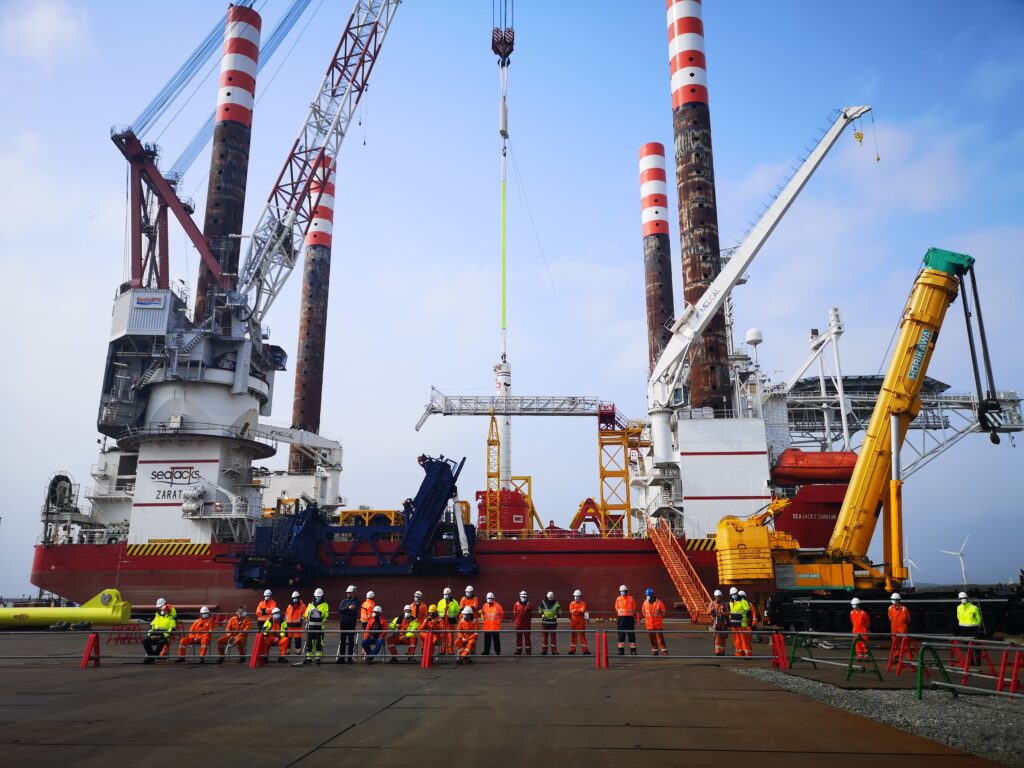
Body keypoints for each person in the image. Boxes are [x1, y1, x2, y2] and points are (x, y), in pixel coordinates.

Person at [303, 587, 329, 665]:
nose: (318, 598)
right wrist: (310, 612)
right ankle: (309, 658)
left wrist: (321, 613)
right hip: (311, 626)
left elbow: (326, 614)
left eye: (319, 596)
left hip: (320, 627)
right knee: (309, 642)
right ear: (314, 596)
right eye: (317, 596)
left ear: (322, 596)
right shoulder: (310, 604)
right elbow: (305, 613)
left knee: (318, 643)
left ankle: (318, 658)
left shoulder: (325, 604)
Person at [337, 585, 360, 664]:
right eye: (347, 593)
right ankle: (342, 658)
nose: (348, 594)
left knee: (351, 640)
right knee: (342, 640)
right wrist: (347, 607)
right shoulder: (344, 601)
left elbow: (353, 609)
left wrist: (345, 609)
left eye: (349, 593)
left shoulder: (356, 601)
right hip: (343, 623)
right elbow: (339, 610)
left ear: (353, 593)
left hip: (351, 623)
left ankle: (349, 658)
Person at [642, 589, 668, 656]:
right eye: (647, 595)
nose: (648, 597)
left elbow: (663, 612)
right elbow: (643, 612)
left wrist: (659, 619)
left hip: (657, 625)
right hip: (649, 625)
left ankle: (664, 652)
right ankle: (655, 652)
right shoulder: (645, 603)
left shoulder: (659, 602)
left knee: (660, 639)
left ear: (652, 595)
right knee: (652, 639)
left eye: (649, 595)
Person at [614, 585, 638, 655]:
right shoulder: (618, 599)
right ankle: (621, 650)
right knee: (621, 634)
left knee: (631, 634)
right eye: (621, 591)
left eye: (623, 591)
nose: (622, 593)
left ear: (626, 591)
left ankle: (633, 650)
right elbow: (616, 607)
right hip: (621, 618)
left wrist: (629, 613)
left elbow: (634, 607)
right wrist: (621, 613)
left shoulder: (631, 598)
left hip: (629, 618)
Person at [438, 587, 461, 655]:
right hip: (442, 621)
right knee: (442, 637)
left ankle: (450, 651)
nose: (446, 595)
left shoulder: (454, 602)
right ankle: (442, 651)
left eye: (447, 594)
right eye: (444, 594)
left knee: (450, 637)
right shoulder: (441, 602)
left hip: (450, 621)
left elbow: (457, 610)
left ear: (450, 594)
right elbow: (438, 610)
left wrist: (453, 616)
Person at [284, 590, 307, 656]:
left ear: (298, 598)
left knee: (298, 640)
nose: (295, 599)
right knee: (288, 640)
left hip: (297, 625)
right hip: (289, 626)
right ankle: (287, 651)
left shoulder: (302, 606)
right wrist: (286, 620)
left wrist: (301, 619)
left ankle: (298, 652)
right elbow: (286, 614)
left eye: (296, 598)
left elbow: (305, 614)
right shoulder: (289, 606)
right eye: (293, 598)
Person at [568, 589, 590, 655]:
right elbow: (571, 611)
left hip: (580, 621)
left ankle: (585, 650)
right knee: (573, 635)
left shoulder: (583, 603)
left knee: (582, 635)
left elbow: (582, 610)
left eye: (577, 596)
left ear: (580, 596)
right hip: (574, 621)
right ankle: (572, 650)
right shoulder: (572, 603)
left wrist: (576, 611)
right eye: (575, 596)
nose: (576, 597)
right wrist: (578, 611)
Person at [708, 589, 729, 657]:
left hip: (723, 623)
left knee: (723, 638)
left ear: (721, 596)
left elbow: (728, 613)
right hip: (716, 623)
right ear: (714, 596)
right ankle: (717, 651)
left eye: (719, 596)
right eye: (717, 596)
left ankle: (722, 651)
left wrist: (724, 613)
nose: (718, 598)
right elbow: (707, 612)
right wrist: (711, 611)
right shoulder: (712, 604)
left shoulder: (724, 604)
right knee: (717, 638)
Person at [513, 590, 533, 656]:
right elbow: (514, 613)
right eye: (522, 597)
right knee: (518, 637)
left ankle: (528, 651)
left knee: (527, 637)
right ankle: (518, 651)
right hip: (519, 623)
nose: (523, 598)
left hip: (527, 624)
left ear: (526, 597)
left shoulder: (529, 604)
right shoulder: (516, 604)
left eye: (524, 597)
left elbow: (531, 614)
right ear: (520, 597)